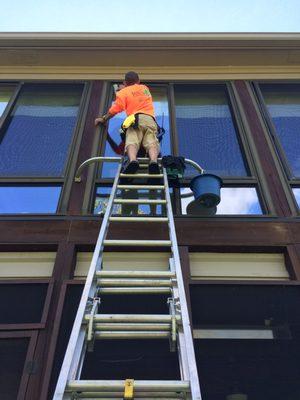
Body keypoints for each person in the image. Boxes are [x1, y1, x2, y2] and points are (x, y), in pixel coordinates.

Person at [95, 71, 160, 174]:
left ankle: (133, 160)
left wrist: (104, 119)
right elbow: (138, 95)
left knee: (132, 140)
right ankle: (153, 161)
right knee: (151, 142)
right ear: (138, 81)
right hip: (149, 119)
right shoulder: (145, 88)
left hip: (134, 119)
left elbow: (115, 109)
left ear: (125, 82)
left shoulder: (123, 92)